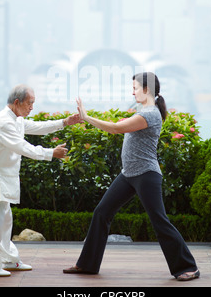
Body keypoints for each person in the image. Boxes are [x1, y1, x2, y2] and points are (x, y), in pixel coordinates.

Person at [63, 72, 200, 281]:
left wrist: (86, 117)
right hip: (128, 175)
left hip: (146, 175)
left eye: (135, 87)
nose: (132, 91)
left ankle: (187, 266)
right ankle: (87, 265)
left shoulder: (151, 114)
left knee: (159, 221)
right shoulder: (143, 110)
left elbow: (116, 129)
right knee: (102, 212)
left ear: (147, 90)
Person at [0, 84, 81, 277]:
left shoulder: (16, 118)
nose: (32, 107)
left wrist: (65, 122)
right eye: (30, 103)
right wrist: (50, 153)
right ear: (17, 102)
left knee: (4, 221)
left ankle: (9, 260)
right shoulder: (4, 122)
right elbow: (23, 147)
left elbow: (37, 127)